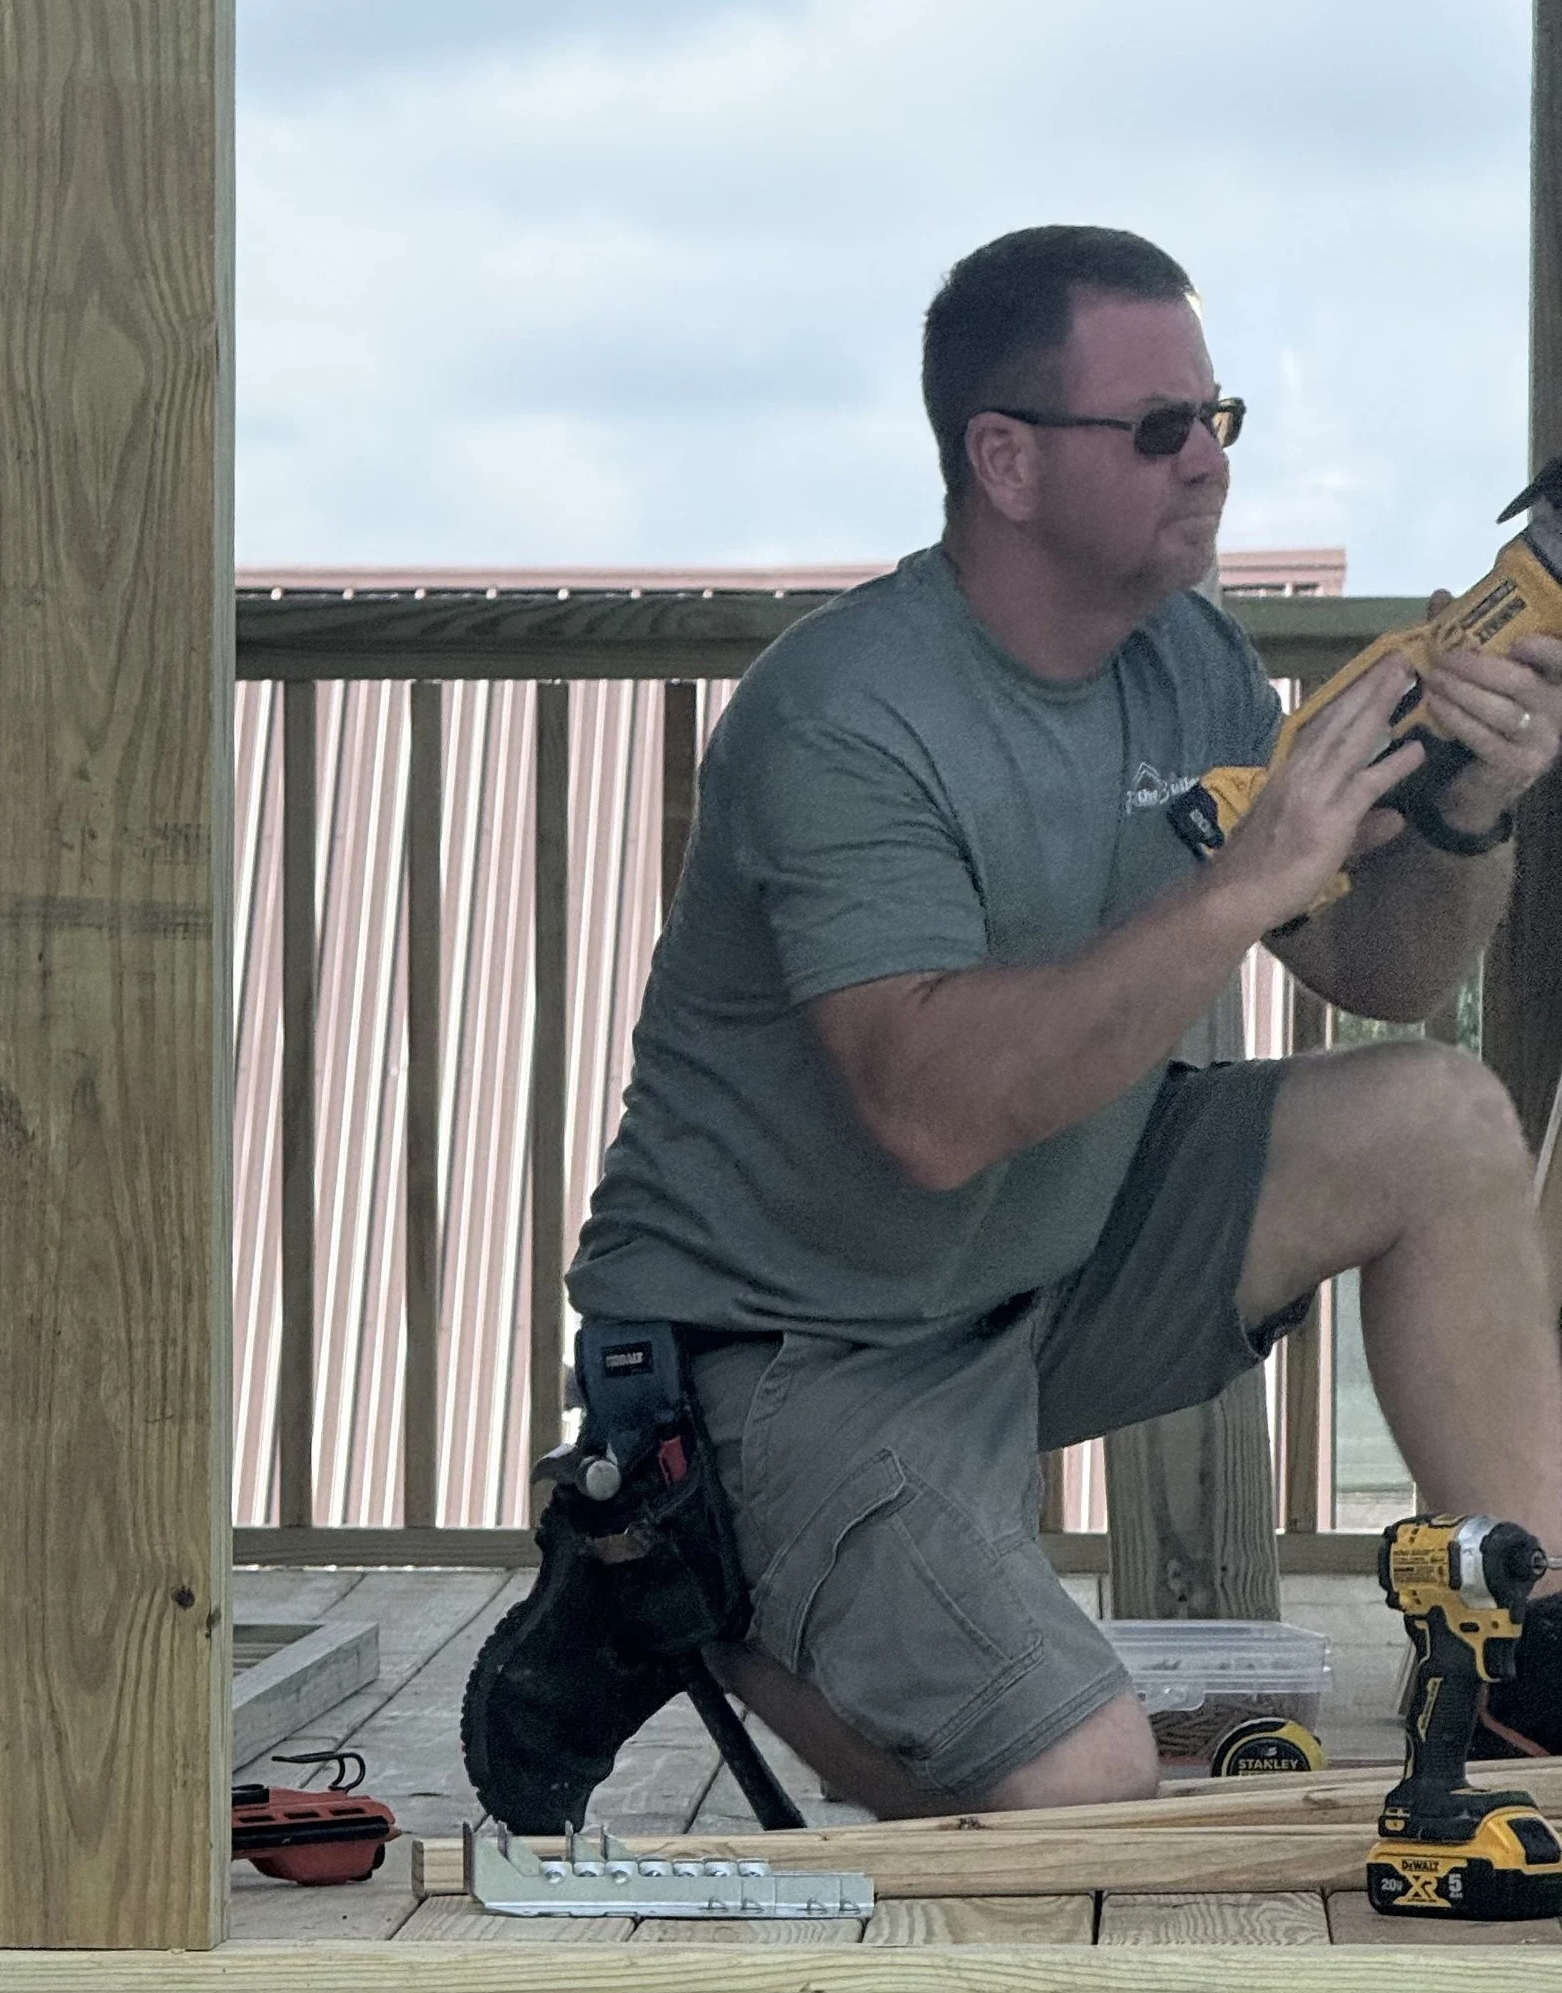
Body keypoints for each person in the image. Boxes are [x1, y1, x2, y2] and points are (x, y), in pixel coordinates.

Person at [483, 223, 1562, 1823]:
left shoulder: (1184, 655)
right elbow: (929, 1114)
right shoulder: (845, 715)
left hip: (1039, 1271)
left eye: (1220, 420)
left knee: (1437, 1111)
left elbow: (1379, 978)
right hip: (790, 1349)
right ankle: (678, 1574)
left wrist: (1469, 813)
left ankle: (1533, 1653)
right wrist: (1239, 884)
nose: (1208, 463)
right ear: (1002, 458)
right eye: (1156, 430)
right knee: (1079, 1790)